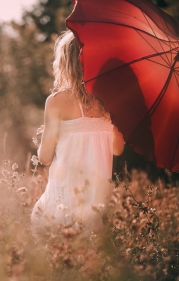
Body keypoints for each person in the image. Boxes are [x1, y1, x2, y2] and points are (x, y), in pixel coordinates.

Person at [31, 30, 124, 233]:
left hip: (62, 200)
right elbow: (117, 149)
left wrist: (45, 139)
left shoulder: (56, 102)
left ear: (65, 63)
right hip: (96, 206)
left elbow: (45, 157)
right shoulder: (111, 103)